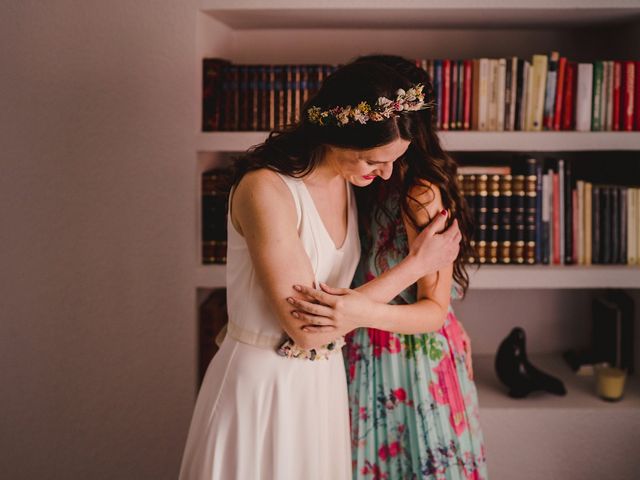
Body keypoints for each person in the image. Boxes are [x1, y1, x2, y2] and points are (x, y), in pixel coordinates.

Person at [178, 61, 462, 480]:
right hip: (262, 383)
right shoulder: (266, 189)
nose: (383, 173)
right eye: (373, 160)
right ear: (336, 134)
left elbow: (337, 316)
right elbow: (307, 330)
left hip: (322, 382)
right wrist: (416, 265)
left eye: (391, 161)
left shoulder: (349, 183)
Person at [288, 55, 488, 479]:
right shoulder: (346, 181)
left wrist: (356, 312)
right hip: (356, 352)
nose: (384, 169)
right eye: (374, 156)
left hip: (411, 359)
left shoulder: (418, 194)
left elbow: (434, 310)